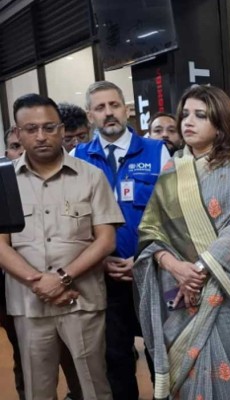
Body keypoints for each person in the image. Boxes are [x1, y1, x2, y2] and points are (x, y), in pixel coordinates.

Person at [134, 84, 230, 399]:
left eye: (201, 115)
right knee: (186, 380)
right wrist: (174, 267)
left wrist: (198, 270)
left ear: (220, 124)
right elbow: (151, 230)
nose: (188, 122)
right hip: (178, 289)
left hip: (228, 287)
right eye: (185, 115)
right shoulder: (172, 170)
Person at [0, 93, 123, 400]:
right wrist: (38, 282)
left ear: (61, 129)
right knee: (37, 390)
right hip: (29, 305)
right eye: (31, 129)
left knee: (94, 387)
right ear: (18, 133)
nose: (41, 136)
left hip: (81, 301)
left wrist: (62, 278)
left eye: (49, 127)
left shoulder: (91, 177)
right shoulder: (4, 181)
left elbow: (106, 240)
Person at [72, 80, 170, 400]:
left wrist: (143, 258)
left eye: (114, 105)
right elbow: (74, 224)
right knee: (115, 358)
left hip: (151, 272)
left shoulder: (156, 151)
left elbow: (171, 216)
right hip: (102, 277)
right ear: (90, 116)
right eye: (100, 108)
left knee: (160, 353)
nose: (109, 113)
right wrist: (98, 260)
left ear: (127, 110)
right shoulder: (77, 157)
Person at [1, 127, 25, 399]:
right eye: (15, 146)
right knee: (22, 351)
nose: (21, 152)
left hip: (58, 281)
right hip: (9, 286)